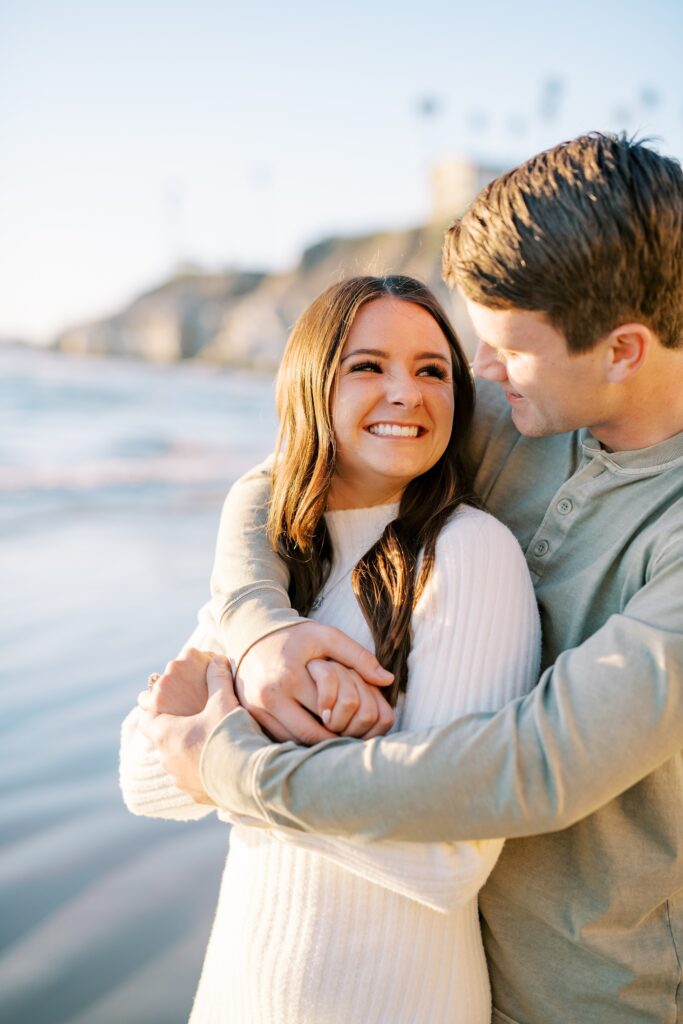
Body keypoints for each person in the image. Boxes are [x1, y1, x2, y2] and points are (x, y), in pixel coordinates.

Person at [139, 132, 683, 1024]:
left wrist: (236, 771)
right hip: (438, 966)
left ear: (621, 350)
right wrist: (258, 626)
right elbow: (289, 471)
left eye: (507, 347)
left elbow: (537, 764)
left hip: (591, 991)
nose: (482, 373)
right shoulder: (518, 412)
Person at [121, 275, 540, 1023]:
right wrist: (239, 734)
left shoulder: (470, 555)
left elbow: (448, 859)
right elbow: (141, 772)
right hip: (235, 995)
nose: (406, 393)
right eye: (368, 366)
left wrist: (227, 756)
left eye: (431, 370)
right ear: (313, 383)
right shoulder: (276, 561)